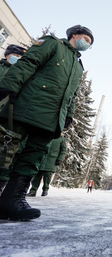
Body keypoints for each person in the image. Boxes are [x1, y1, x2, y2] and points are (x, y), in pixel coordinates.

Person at [0, 25, 94, 221]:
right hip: (28, 107)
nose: (87, 44)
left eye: (90, 43)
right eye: (86, 38)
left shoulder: (78, 66)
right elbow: (29, 62)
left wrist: (68, 115)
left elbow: (72, 96)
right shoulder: (53, 44)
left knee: (33, 157)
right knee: (5, 150)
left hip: (51, 119)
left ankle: (13, 199)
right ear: (74, 35)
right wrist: (10, 85)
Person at [0, 44, 27, 194]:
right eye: (16, 56)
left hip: (9, 117)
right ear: (7, 55)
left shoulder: (21, 74)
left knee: (6, 154)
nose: (18, 60)